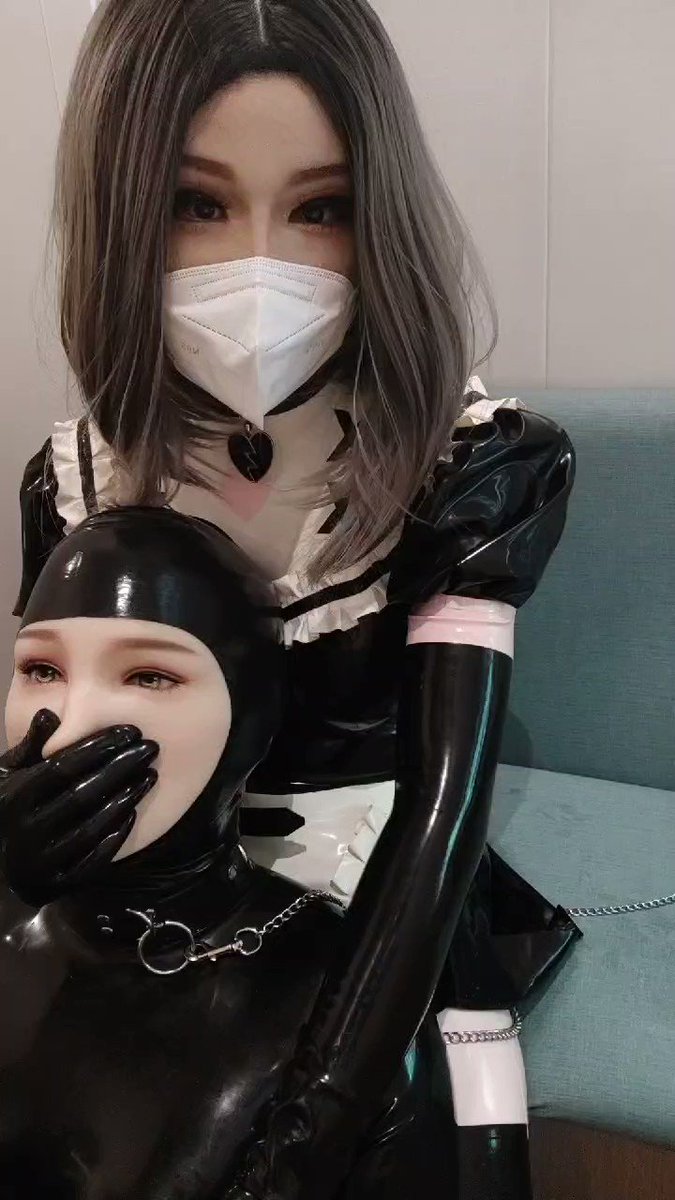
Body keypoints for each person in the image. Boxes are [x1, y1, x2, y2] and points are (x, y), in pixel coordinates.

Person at [15, 1, 581, 1195]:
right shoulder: (76, 477)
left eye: (321, 209)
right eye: (196, 202)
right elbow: (56, 723)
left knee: (476, 1128)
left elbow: (446, 801)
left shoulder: (473, 468)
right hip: (155, 895)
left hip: (386, 886)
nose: (257, 264)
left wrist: (328, 1102)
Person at [0, 505, 459, 1197]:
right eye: (40, 668)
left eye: (150, 676)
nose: (67, 731)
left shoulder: (331, 994)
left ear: (253, 712)